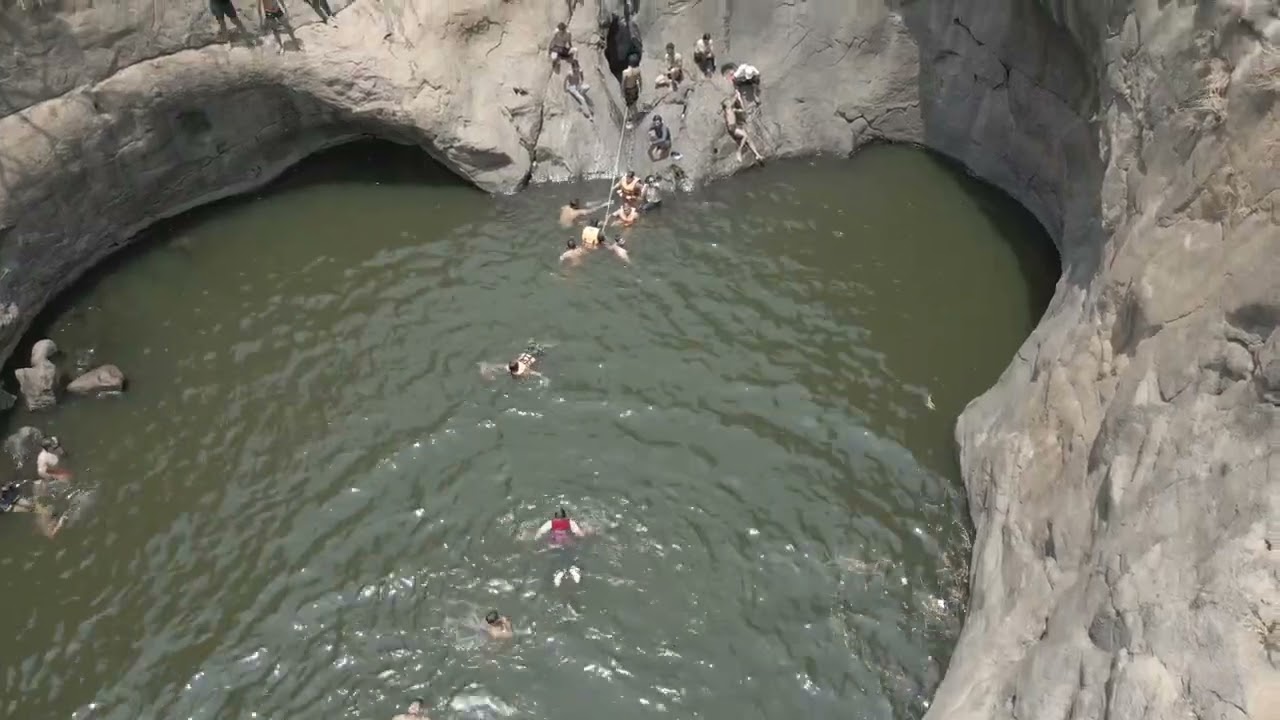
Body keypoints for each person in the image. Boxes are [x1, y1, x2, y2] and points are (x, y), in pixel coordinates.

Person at [537, 508, 590, 587]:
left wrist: (538, 539)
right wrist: (585, 532)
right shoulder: (570, 523)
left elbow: (540, 532)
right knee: (571, 559)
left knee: (557, 560)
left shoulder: (550, 523)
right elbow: (580, 534)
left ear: (555, 517)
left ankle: (558, 574)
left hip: (555, 545)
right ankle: (573, 571)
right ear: (565, 516)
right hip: (568, 544)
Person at [722, 98, 763, 163]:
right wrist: (736, 94)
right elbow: (731, 103)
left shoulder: (732, 110)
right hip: (732, 128)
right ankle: (739, 151)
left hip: (734, 127)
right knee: (745, 136)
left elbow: (741, 110)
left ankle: (757, 155)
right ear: (727, 106)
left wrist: (751, 106)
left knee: (748, 140)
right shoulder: (727, 110)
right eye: (729, 103)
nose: (730, 103)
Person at [620, 55, 643, 127]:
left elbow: (623, 84)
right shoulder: (637, 71)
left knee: (630, 106)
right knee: (634, 103)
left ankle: (633, 120)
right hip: (635, 88)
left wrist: (622, 93)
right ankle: (636, 116)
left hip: (628, 90)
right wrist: (641, 88)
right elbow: (640, 80)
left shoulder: (625, 72)